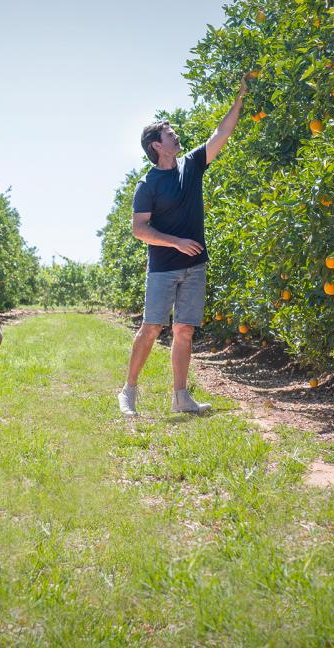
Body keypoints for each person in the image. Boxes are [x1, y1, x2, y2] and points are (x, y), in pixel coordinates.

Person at [119, 75, 249, 416]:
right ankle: (129, 391)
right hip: (163, 268)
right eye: (169, 133)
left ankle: (180, 396)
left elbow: (220, 134)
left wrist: (240, 99)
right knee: (151, 328)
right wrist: (175, 242)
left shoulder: (191, 166)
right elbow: (139, 229)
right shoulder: (148, 184)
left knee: (185, 330)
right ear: (156, 146)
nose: (175, 134)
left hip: (195, 265)